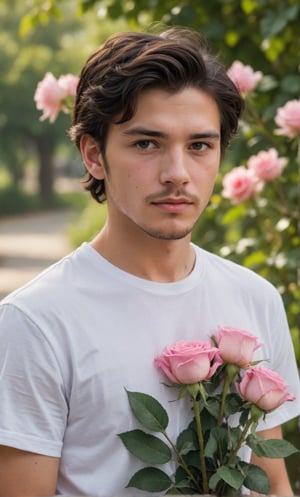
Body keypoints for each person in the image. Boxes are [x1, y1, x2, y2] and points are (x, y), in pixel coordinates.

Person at [0, 27, 299, 497]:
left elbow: (273, 483)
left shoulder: (255, 299)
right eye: (147, 144)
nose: (177, 174)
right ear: (94, 155)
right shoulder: (35, 322)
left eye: (200, 145)